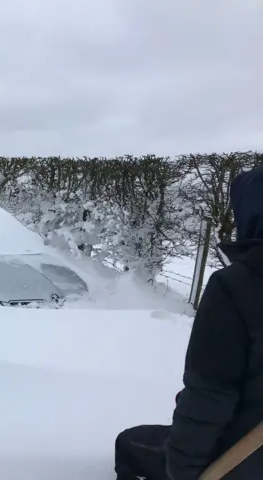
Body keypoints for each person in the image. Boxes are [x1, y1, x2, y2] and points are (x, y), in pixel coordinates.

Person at [114, 164, 263, 480]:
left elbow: (210, 395)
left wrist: (182, 470)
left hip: (236, 461)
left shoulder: (238, 286)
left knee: (128, 443)